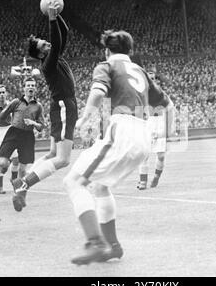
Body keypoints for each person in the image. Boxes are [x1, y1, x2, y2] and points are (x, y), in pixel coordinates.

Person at [63, 30, 175, 265]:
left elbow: (97, 92)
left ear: (107, 50)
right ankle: (113, 247)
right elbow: (168, 104)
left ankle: (96, 242)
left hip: (122, 131)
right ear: (130, 51)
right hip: (143, 137)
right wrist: (168, 131)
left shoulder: (106, 66)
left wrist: (83, 120)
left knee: (73, 182)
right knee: (100, 187)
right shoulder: (140, 71)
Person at [11, 1, 78, 211]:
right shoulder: (48, 62)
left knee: (51, 153)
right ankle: (25, 184)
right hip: (64, 105)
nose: (48, 44)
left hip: (59, 105)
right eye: (43, 45)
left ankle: (22, 181)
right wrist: (50, 19)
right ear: (40, 54)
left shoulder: (54, 58)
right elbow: (57, 41)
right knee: (64, 159)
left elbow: (63, 33)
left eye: (46, 43)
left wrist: (57, 15)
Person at [0, 78, 45, 206]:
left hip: (27, 136)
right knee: (2, 164)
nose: (30, 87)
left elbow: (41, 126)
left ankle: (19, 194)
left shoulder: (38, 106)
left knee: (23, 169)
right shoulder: (16, 102)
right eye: (28, 85)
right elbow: (2, 114)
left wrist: (33, 123)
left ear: (35, 88)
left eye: (33, 85)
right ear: (23, 88)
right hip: (13, 133)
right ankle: (6, 173)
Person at [137, 72, 167, 190]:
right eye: (149, 78)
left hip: (159, 122)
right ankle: (143, 181)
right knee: (144, 154)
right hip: (147, 122)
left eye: (154, 78)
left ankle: (156, 177)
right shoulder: (141, 93)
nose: (152, 80)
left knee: (161, 156)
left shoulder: (161, 93)